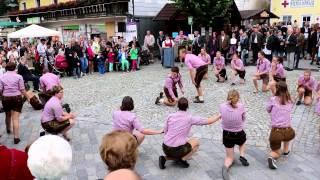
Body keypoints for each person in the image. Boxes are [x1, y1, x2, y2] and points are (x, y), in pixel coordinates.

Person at [158, 98, 221, 169]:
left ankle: (165, 158)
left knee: (184, 142)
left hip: (165, 147)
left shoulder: (170, 116)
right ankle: (182, 159)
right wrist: (218, 116)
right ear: (187, 107)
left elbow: (165, 131)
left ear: (177, 106)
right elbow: (208, 121)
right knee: (196, 142)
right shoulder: (190, 118)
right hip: (176, 150)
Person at [220, 90, 249, 180]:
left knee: (229, 157)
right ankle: (242, 155)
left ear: (228, 97)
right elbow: (243, 118)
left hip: (227, 134)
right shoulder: (241, 106)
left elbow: (222, 116)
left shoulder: (222, 106)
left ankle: (225, 168)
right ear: (238, 98)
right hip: (238, 133)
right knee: (243, 141)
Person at [266, 81, 295, 170]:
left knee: (276, 152)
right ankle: (286, 151)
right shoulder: (290, 100)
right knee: (288, 135)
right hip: (288, 131)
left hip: (276, 132)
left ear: (277, 89)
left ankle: (272, 157)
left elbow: (268, 109)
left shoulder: (273, 99)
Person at [0, 62, 27, 144]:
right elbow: (22, 89)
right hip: (17, 97)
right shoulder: (19, 77)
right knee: (15, 118)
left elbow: (0, 89)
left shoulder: (2, 77)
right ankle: (16, 137)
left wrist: (2, 97)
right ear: (15, 68)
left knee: (7, 114)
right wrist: (28, 97)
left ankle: (8, 128)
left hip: (6, 97)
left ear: (6, 68)